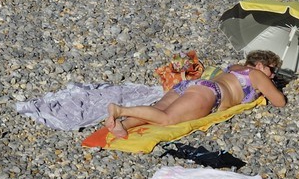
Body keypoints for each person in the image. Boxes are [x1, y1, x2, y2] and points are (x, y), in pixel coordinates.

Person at [106, 50, 285, 136]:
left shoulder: (235, 67)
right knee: (166, 118)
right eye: (272, 70)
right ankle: (120, 111)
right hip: (210, 93)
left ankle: (124, 125)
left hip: (194, 85)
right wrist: (271, 85)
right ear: (261, 65)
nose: (273, 75)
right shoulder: (258, 75)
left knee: (159, 108)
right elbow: (279, 102)